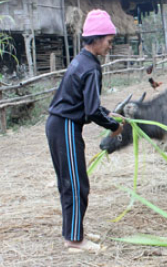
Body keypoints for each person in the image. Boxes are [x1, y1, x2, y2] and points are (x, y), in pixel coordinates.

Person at [46, 9, 123, 252]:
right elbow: (91, 111)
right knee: (76, 184)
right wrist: (114, 126)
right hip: (65, 125)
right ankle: (74, 240)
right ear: (98, 39)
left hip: (61, 124)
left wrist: (108, 113)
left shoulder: (83, 60)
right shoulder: (91, 67)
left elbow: (89, 104)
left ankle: (74, 230)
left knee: (71, 182)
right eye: (109, 41)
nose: (110, 46)